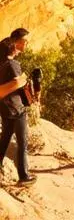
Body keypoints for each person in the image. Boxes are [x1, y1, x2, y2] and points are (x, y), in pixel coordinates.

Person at [0, 36, 34, 185]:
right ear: (11, 48)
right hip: (17, 108)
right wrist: (25, 80)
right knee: (22, 142)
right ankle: (24, 176)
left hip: (5, 107)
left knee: (5, 138)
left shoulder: (1, 64)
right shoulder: (12, 64)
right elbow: (18, 84)